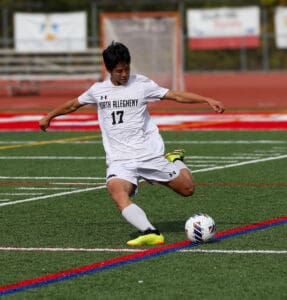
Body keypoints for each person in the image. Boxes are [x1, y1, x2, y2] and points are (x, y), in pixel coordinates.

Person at [39, 41, 225, 246]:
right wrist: (50, 116)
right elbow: (74, 104)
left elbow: (176, 95)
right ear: (109, 70)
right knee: (117, 192)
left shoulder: (141, 85)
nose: (124, 74)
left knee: (188, 190)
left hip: (148, 154)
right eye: (119, 71)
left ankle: (176, 160)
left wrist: (206, 100)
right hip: (120, 160)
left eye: (127, 69)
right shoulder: (98, 90)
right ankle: (150, 231)